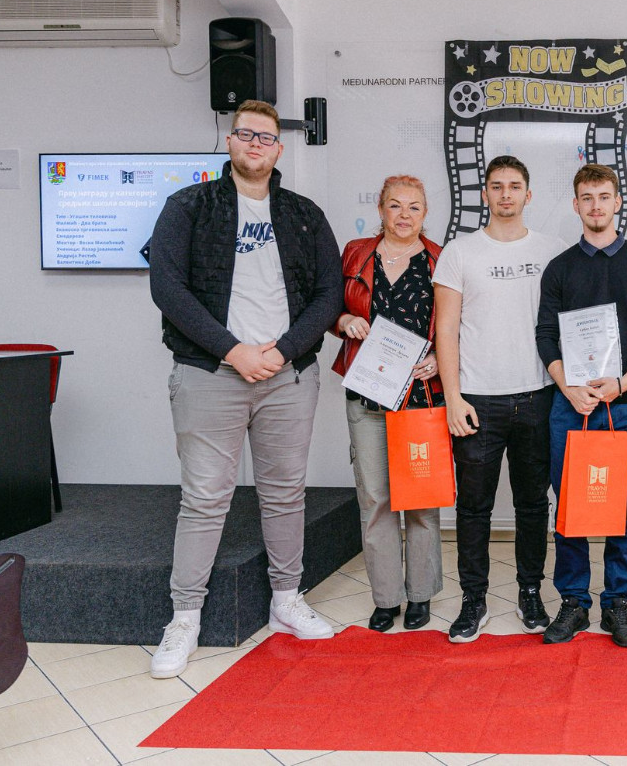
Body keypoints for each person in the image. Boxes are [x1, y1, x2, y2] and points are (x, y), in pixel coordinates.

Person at [148, 100, 342, 678]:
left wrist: (283, 351)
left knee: (285, 494)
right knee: (205, 498)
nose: (256, 144)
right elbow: (168, 288)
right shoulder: (189, 206)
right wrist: (232, 350)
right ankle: (185, 617)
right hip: (211, 373)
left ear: (279, 149)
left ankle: (286, 599)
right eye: (245, 134)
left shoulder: (304, 214)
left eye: (266, 137)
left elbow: (328, 294)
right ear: (230, 142)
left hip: (288, 376)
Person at [535, 163, 627, 647]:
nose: (596, 205)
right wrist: (568, 387)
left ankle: (616, 602)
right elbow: (545, 335)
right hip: (571, 406)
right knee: (570, 508)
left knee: (621, 510)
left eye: (604, 196)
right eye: (587, 197)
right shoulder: (560, 268)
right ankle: (574, 602)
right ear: (576, 205)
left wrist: (622, 383)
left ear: (617, 202)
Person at [433, 156, 565, 643]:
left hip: (538, 396)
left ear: (528, 195)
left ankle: (530, 592)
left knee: (533, 504)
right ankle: (474, 599)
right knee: (473, 507)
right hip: (476, 400)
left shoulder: (553, 250)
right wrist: (452, 397)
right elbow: (446, 328)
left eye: (514, 186)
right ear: (484, 193)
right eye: (496, 186)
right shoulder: (459, 252)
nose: (505, 194)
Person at [332, 175, 445, 633]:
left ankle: (420, 594)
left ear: (425, 213)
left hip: (420, 398)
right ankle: (386, 598)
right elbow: (328, 306)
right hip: (368, 395)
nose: (404, 215)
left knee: (420, 501)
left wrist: (440, 359)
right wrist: (343, 320)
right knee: (375, 499)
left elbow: (459, 323)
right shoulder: (356, 254)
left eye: (414, 207)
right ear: (380, 209)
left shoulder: (440, 259)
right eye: (395, 205)